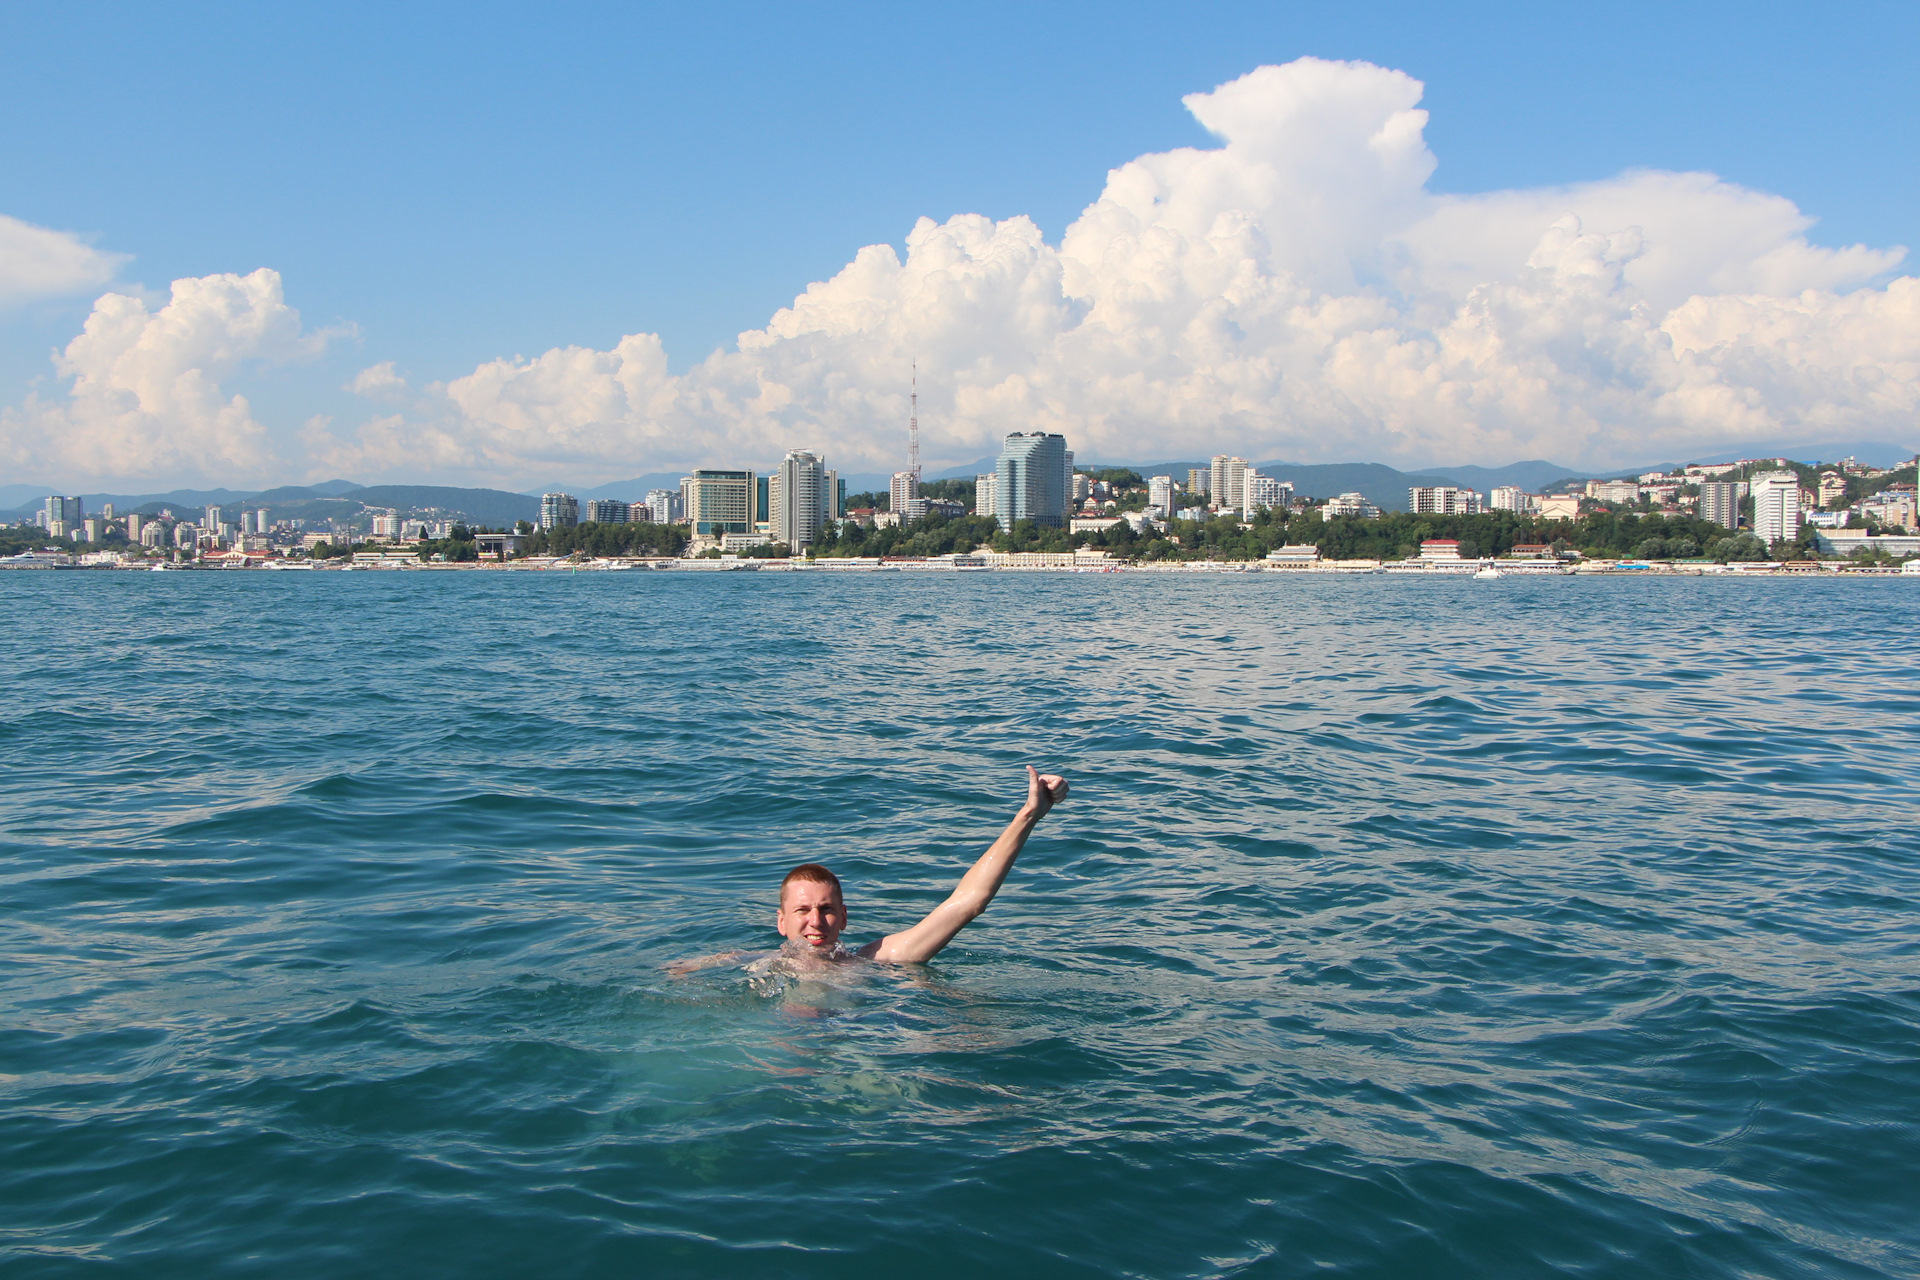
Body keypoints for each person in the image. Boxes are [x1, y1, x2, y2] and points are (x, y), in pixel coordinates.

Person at [672, 765, 1068, 973]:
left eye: (826, 909)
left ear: (844, 917)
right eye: (803, 910)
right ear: (780, 921)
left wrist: (1029, 815)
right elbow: (675, 974)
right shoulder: (747, 963)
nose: (815, 921)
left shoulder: (874, 961)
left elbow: (968, 903)